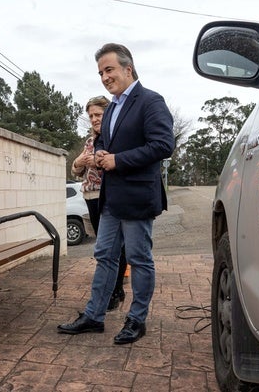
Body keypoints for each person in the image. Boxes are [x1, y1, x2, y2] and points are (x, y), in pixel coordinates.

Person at [58, 43, 175, 344]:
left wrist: (117, 160)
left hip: (137, 198)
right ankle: (94, 316)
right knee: (105, 256)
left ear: (128, 68)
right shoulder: (111, 109)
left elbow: (163, 145)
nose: (104, 77)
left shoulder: (151, 101)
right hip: (110, 199)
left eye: (109, 70)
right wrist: (99, 154)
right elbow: (101, 142)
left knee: (138, 258)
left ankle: (137, 320)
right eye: (100, 73)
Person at [71, 95, 127, 311]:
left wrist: (92, 160)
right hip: (90, 197)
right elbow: (76, 170)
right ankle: (111, 290)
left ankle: (116, 290)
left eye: (98, 114)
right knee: (103, 247)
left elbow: (112, 162)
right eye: (91, 115)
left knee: (114, 247)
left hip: (110, 197)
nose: (94, 119)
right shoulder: (89, 141)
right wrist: (79, 161)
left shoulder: (115, 136)